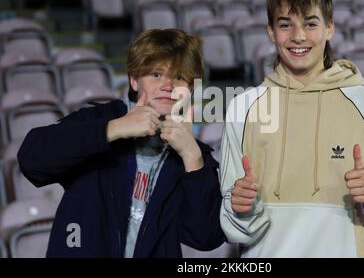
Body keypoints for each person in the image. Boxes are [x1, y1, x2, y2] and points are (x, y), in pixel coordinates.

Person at [219, 0, 364, 257]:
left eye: (310, 23)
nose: (298, 36)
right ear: (270, 31)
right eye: (285, 25)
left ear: (330, 28)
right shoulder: (243, 109)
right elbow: (234, 227)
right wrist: (242, 208)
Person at [17, 28, 225, 257]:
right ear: (134, 80)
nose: (168, 85)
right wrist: (113, 129)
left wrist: (192, 158)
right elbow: (31, 159)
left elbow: (205, 237)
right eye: (156, 74)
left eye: (178, 77)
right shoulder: (96, 120)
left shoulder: (195, 155)